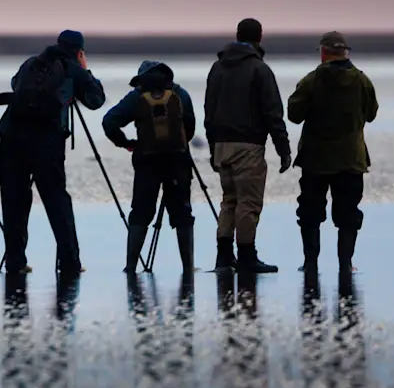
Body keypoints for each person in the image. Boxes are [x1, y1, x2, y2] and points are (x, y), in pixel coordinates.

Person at [0, 30, 105, 277]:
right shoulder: (72, 68)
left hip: (12, 137)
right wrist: (85, 71)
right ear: (79, 51)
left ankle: (15, 262)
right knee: (56, 201)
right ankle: (69, 263)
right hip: (46, 140)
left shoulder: (31, 63)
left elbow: (15, 85)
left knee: (14, 201)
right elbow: (96, 100)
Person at [287, 32, 378, 276]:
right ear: (345, 52)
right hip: (351, 160)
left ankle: (310, 263)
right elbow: (371, 114)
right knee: (348, 214)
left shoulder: (311, 81)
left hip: (315, 160)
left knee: (309, 213)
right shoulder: (362, 81)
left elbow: (294, 115)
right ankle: (345, 264)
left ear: (323, 52)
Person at [204, 18, 290, 274]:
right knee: (248, 204)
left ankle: (223, 258)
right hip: (248, 146)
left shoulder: (217, 68)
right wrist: (283, 149)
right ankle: (246, 257)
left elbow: (209, 110)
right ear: (260, 37)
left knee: (229, 201)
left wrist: (212, 147)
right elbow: (273, 113)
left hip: (221, 145)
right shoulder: (259, 69)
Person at [102, 60, 197, 274]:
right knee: (182, 213)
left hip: (147, 162)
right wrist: (178, 144)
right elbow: (189, 126)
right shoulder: (180, 94)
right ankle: (188, 267)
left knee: (141, 213)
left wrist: (127, 143)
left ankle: (131, 266)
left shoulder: (136, 96)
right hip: (178, 161)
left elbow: (109, 122)